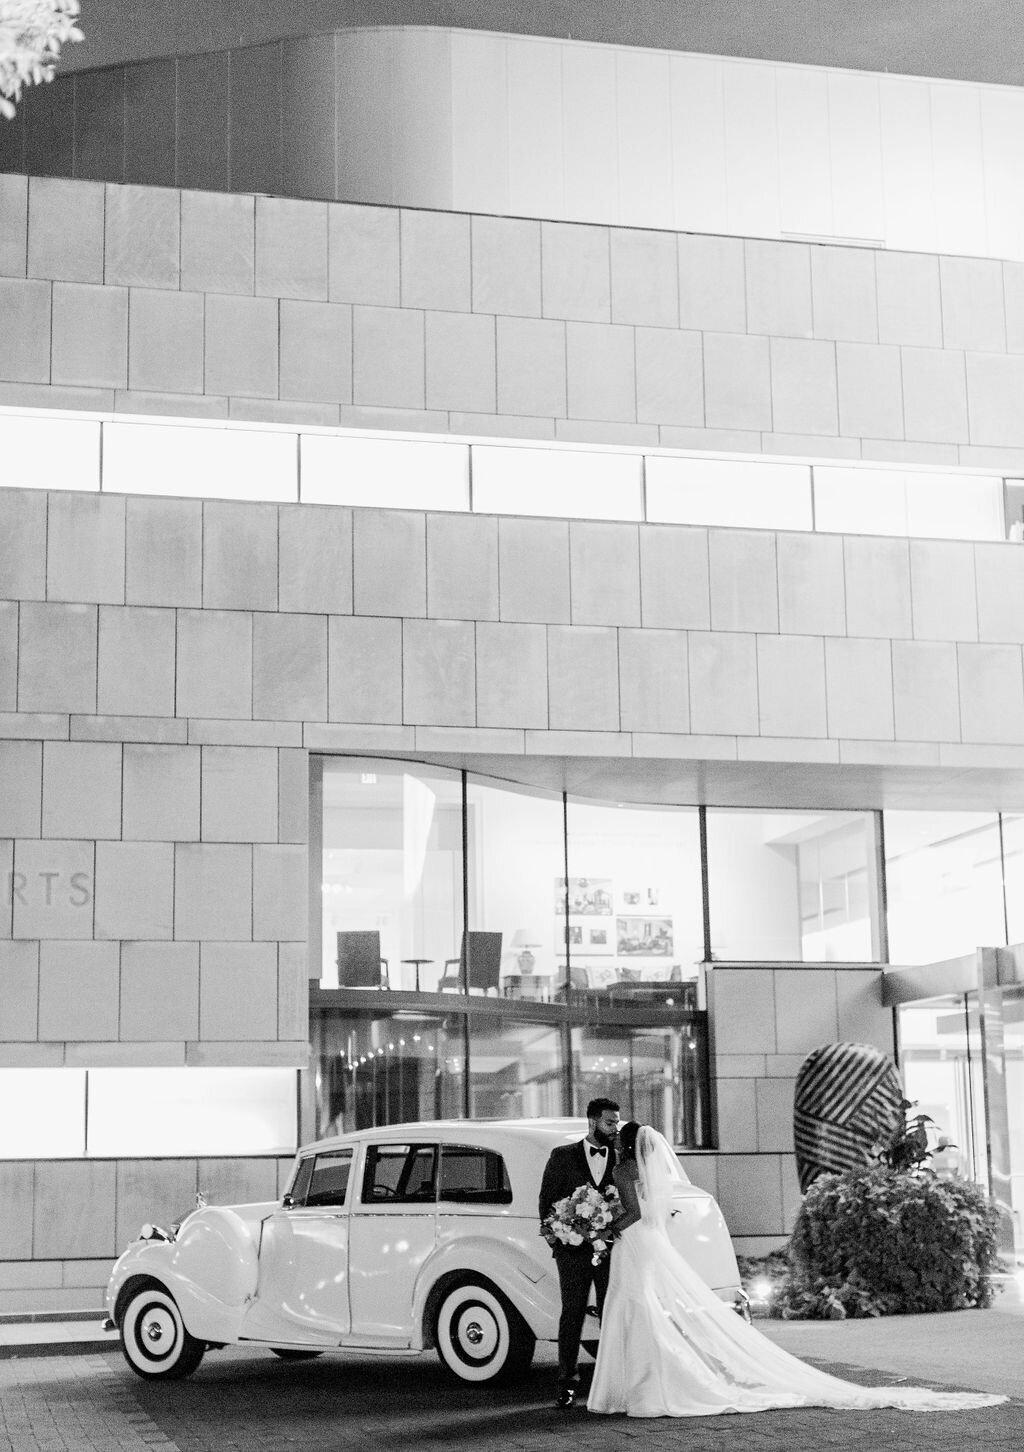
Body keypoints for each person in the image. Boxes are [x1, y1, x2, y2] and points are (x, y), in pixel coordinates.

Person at [588, 1121, 1007, 1419]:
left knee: (635, 1307)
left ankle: (643, 1388)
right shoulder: (645, 1168)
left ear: (625, 1144)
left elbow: (634, 1213)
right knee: (642, 1306)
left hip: (634, 1242)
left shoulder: (625, 1170)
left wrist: (604, 1227)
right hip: (649, 1244)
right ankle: (647, 1383)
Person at [538, 1097, 621, 1409]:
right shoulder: (562, 1156)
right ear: (592, 1121)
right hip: (571, 1251)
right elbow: (547, 1200)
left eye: (617, 1123)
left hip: (611, 1250)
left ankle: (610, 1380)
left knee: (610, 1311)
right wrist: (557, 1237)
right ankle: (567, 1384)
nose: (614, 1129)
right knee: (571, 1313)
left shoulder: (620, 1157)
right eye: (609, 1123)